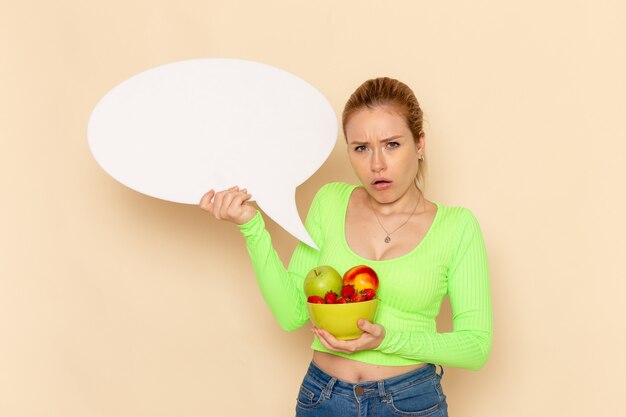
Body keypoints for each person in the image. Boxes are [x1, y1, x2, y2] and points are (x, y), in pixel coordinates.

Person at [199, 77, 492, 417]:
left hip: (409, 402)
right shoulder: (330, 202)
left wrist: (387, 340)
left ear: (420, 143)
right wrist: (252, 227)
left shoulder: (456, 227)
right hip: (322, 398)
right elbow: (291, 313)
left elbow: (476, 346)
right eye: (361, 148)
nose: (377, 164)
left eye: (392, 144)